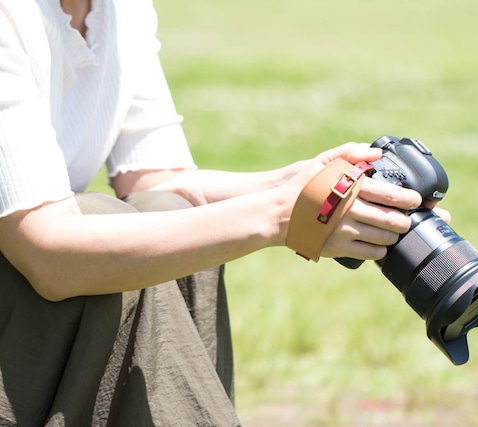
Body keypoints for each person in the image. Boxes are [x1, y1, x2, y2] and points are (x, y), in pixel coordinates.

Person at [0, 0, 448, 425]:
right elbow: (49, 253)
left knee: (169, 213)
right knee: (107, 221)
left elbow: (160, 181)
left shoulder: (119, 11)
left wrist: (306, 183)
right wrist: (277, 216)